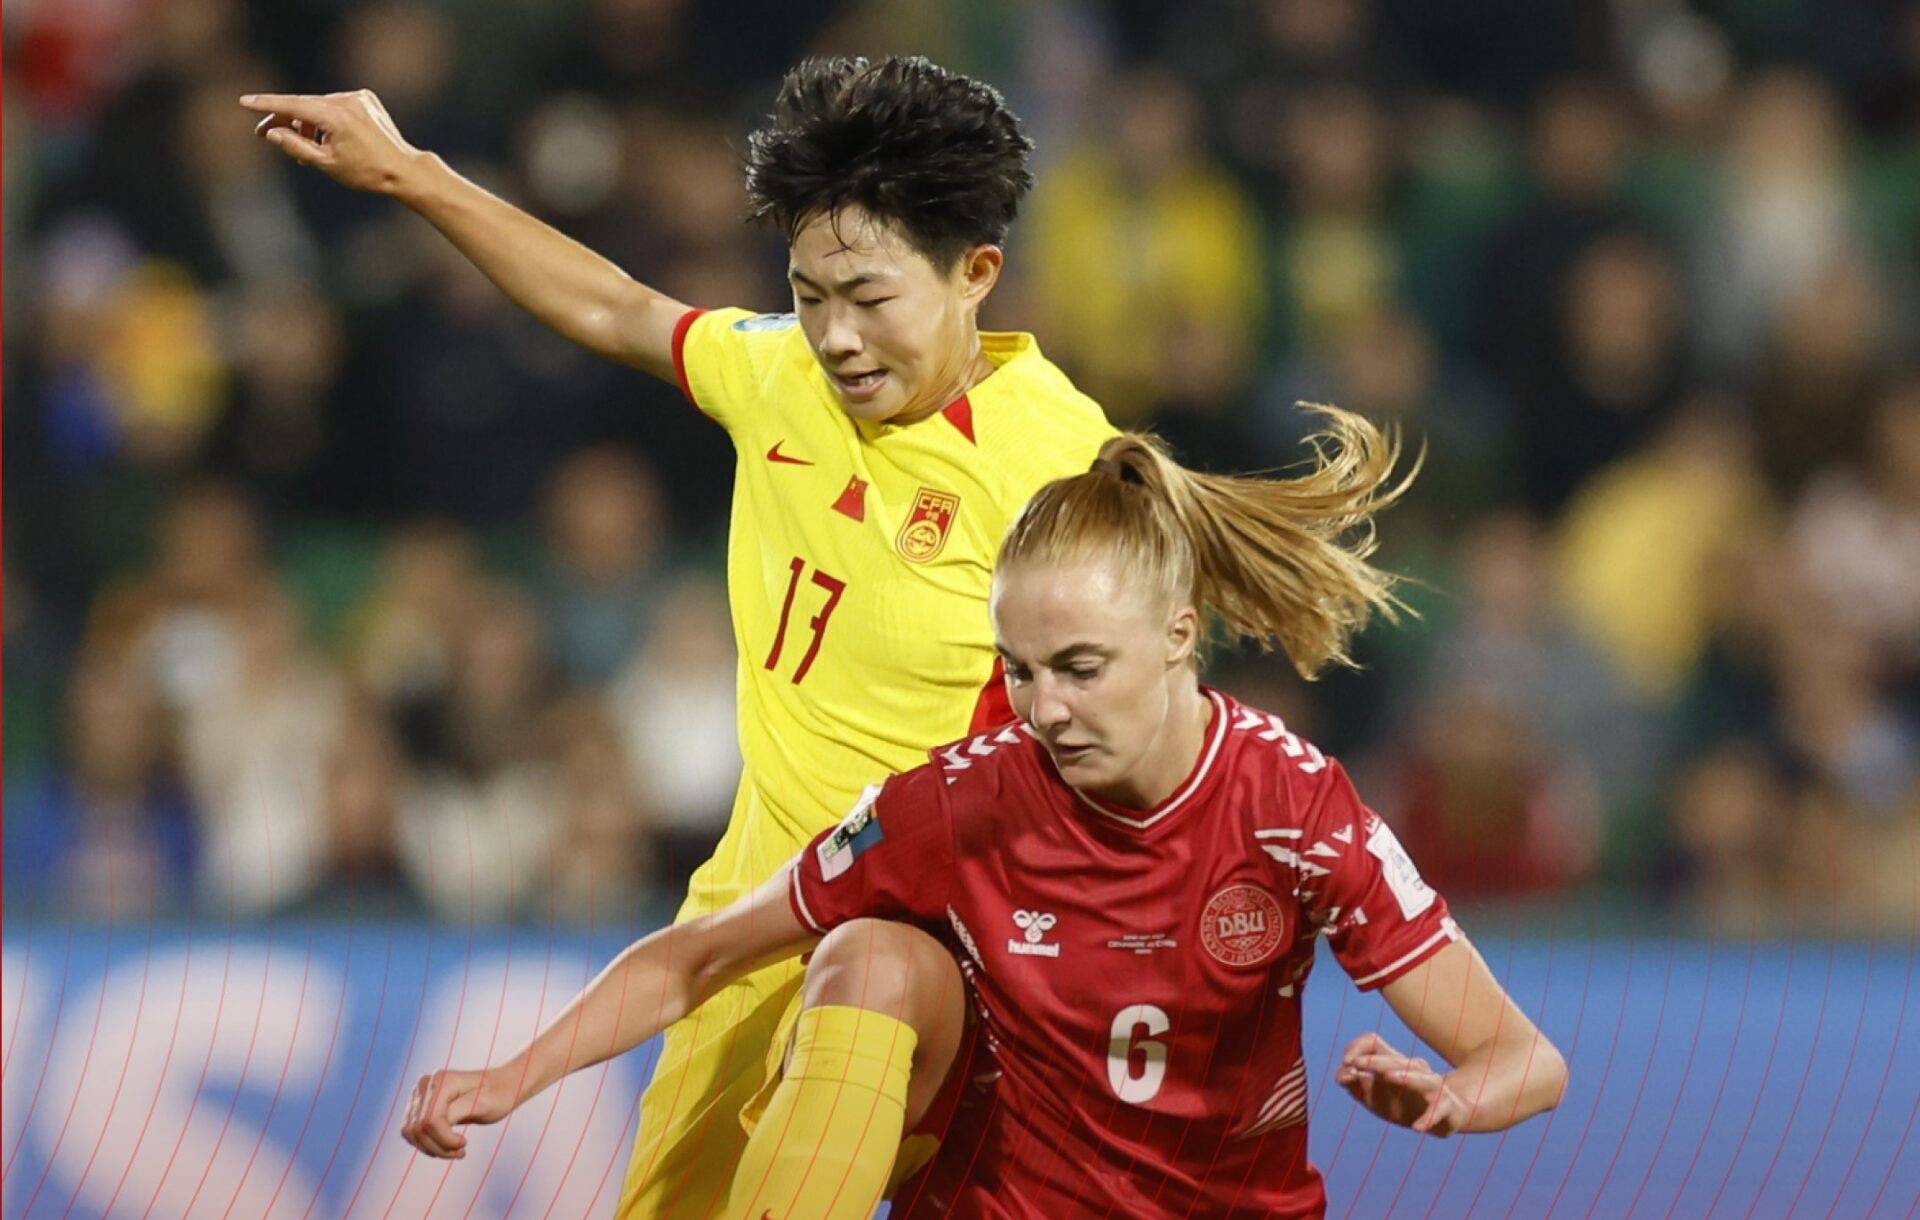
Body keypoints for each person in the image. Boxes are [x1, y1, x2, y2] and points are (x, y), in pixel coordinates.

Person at [241, 55, 1118, 1216]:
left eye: (870, 295)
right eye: (810, 294)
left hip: (939, 944)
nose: (839, 336)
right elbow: (615, 305)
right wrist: (412, 176)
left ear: (976, 273)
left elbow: (1123, 727)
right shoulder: (779, 373)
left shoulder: (1060, 465)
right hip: (746, 919)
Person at [399, 409, 1568, 1218]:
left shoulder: (1295, 807)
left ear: (1177, 636)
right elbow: (701, 952)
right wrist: (515, 1074)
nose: (1044, 706)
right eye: (1019, 667)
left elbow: (1525, 1057)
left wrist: (1455, 1099)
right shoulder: (958, 801)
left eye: (1080, 665)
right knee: (867, 953)